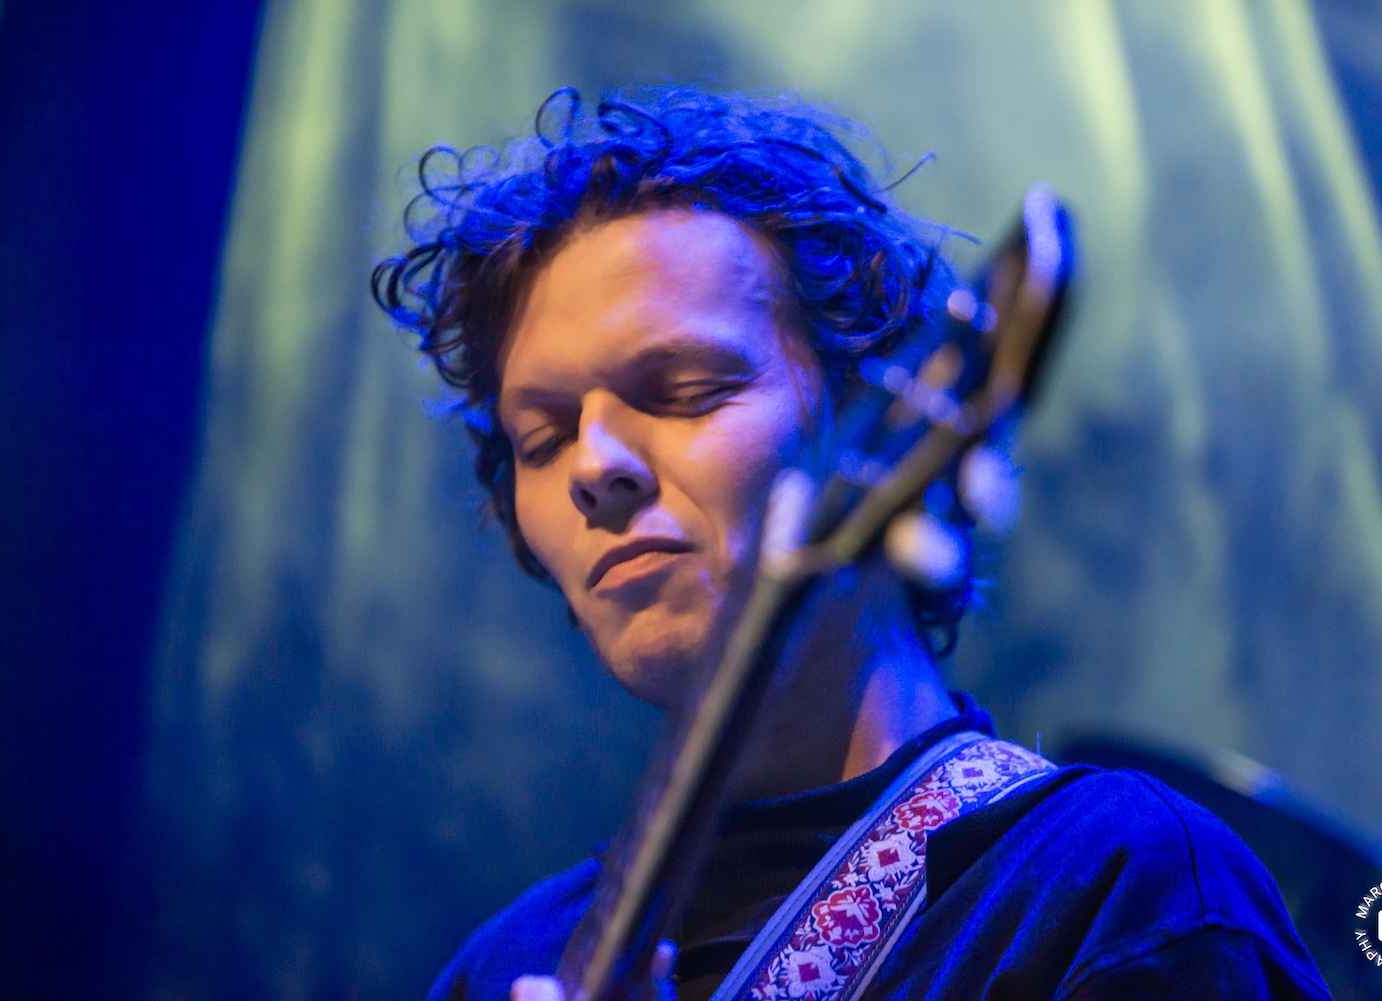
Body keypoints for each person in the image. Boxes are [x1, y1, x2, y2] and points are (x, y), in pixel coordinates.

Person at [374, 86, 1331, 1001]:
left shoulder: (1111, 888)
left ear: (875, 416)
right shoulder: (504, 966)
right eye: (543, 438)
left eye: (685, 390)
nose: (593, 465)